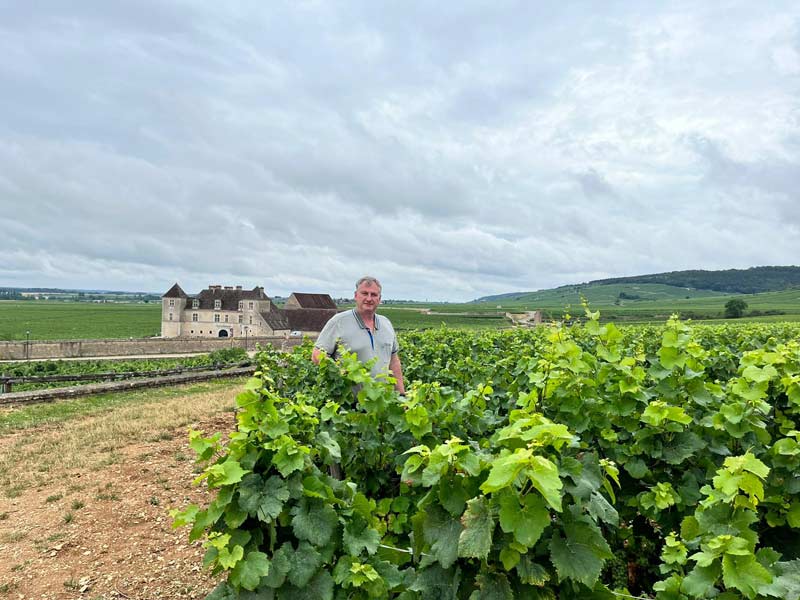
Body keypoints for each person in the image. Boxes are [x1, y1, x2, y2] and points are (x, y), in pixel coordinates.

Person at [312, 276, 405, 394]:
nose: (369, 298)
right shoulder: (339, 322)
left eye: (374, 295)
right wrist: (340, 372)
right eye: (364, 293)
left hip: (381, 400)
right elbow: (317, 355)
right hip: (348, 401)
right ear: (356, 295)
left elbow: (394, 361)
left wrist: (401, 394)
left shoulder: (386, 323)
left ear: (379, 299)